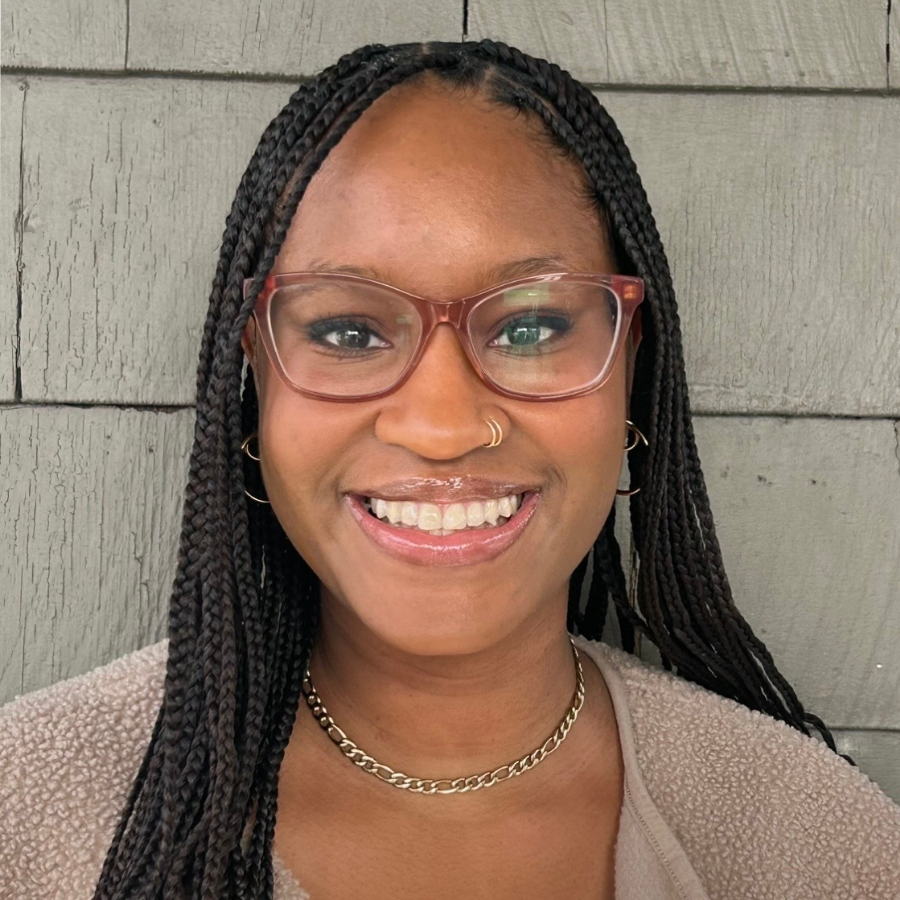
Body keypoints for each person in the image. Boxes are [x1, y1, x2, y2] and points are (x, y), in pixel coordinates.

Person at [1, 39, 898, 900]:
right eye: (347, 331)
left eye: (532, 327)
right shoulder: (28, 821)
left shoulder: (815, 844)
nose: (441, 427)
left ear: (631, 368)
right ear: (256, 376)